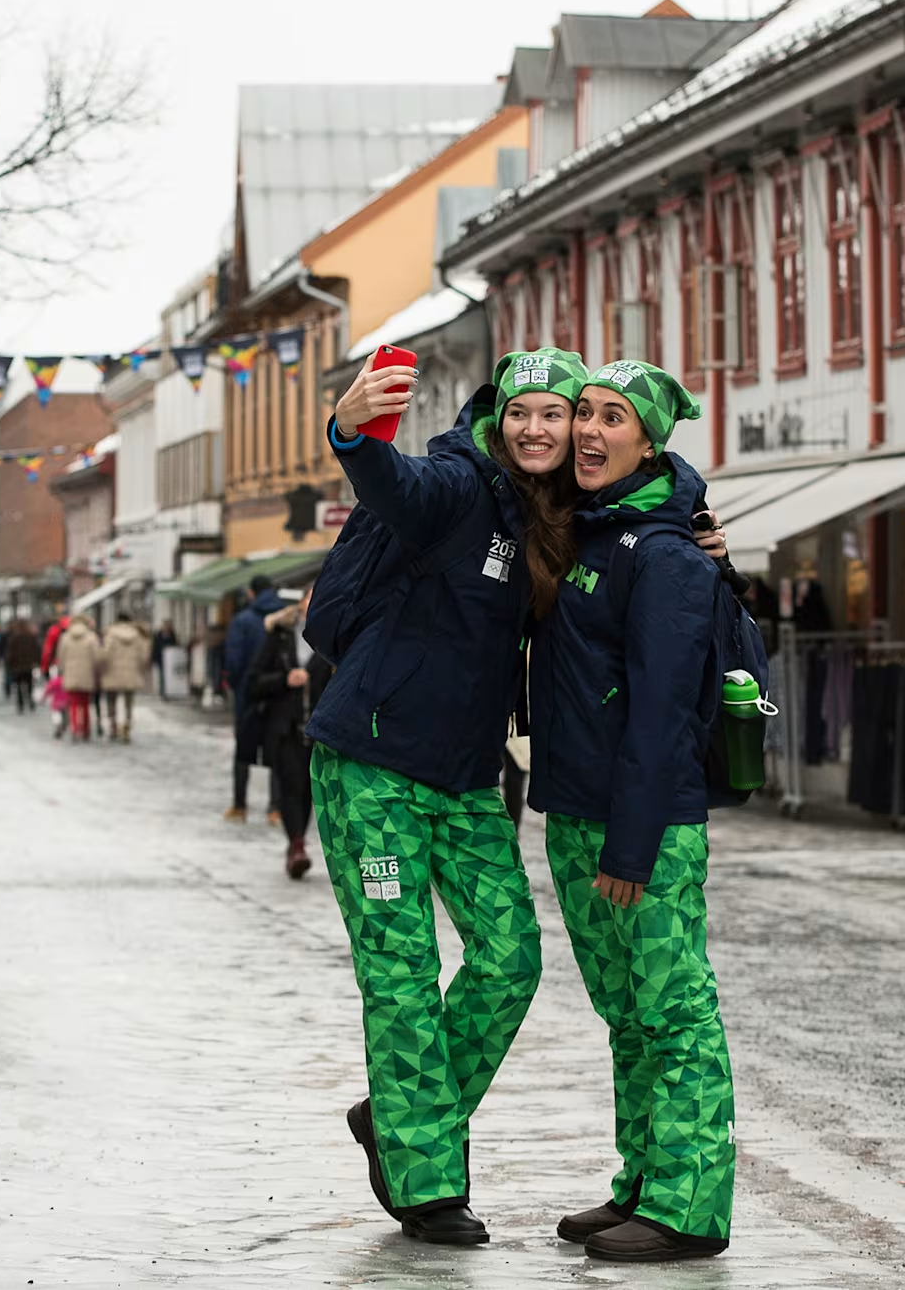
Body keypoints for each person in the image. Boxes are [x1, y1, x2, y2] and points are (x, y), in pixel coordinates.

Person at [310, 346, 593, 1248]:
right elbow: (397, 486)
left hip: (469, 778)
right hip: (373, 764)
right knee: (401, 973)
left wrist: (698, 526)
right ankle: (424, 1180)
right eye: (523, 413)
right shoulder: (459, 482)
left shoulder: (556, 512)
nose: (537, 429)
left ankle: (396, 1116)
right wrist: (353, 431)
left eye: (556, 413)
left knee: (511, 958)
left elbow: (650, 490)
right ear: (498, 417)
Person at [529, 360, 733, 1264]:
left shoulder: (666, 556)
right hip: (579, 813)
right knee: (627, 1014)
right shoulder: (594, 533)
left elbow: (662, 712)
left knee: (675, 1010)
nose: (587, 430)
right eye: (583, 413)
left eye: (612, 417)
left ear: (650, 441)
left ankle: (691, 1207)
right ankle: (644, 1182)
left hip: (641, 827)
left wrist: (635, 841)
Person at [248, 587, 330, 879]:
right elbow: (254, 680)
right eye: (310, 597)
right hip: (284, 727)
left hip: (316, 728)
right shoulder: (280, 636)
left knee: (307, 789)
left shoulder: (330, 637)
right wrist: (285, 679)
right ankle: (296, 844)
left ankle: (297, 842)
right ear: (300, 604)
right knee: (289, 784)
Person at [224, 578, 282, 822]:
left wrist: (241, 689)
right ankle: (275, 808)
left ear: (251, 593)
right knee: (278, 752)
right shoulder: (284, 619)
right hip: (279, 695)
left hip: (248, 696)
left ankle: (240, 807)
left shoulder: (243, 621)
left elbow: (234, 661)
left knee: (243, 753)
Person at [100, 614, 150, 741]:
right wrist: (141, 669)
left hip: (112, 672)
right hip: (131, 673)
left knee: (111, 700)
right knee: (129, 701)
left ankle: (113, 725)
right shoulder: (137, 635)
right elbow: (144, 656)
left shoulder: (110, 634)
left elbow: (105, 654)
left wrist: (103, 668)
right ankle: (127, 724)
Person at [57, 614, 101, 742]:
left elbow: (61, 657)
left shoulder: (65, 637)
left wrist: (63, 671)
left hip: (71, 674)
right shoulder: (91, 637)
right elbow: (96, 657)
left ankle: (76, 729)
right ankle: (86, 730)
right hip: (87, 674)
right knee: (86, 703)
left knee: (74, 704)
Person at [2, 617, 42, 714]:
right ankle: (31, 702)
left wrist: (9, 664)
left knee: (19, 686)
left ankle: (20, 705)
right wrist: (37, 661)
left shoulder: (14, 638)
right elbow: (37, 650)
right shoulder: (31, 636)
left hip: (17, 666)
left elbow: (10, 652)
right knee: (29, 685)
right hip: (28, 665)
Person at [151, 619, 180, 697]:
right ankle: (163, 692)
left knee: (170, 676)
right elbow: (155, 647)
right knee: (162, 676)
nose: (166, 627)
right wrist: (154, 658)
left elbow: (175, 645)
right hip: (161, 658)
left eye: (167, 626)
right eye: (165, 625)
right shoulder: (158, 635)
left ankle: (169, 691)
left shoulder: (172, 635)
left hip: (170, 659)